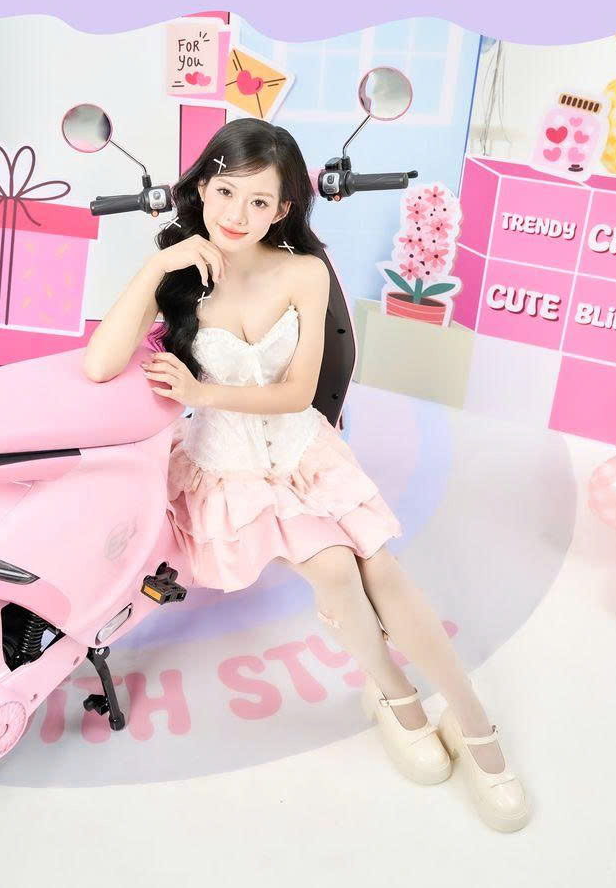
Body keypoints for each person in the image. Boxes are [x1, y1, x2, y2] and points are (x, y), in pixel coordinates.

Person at [83, 117, 529, 832]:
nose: (237, 214)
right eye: (225, 192)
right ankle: (396, 695)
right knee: (336, 569)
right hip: (230, 470)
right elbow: (101, 362)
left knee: (382, 568)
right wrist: (156, 267)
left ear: (284, 208)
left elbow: (297, 393)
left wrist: (200, 392)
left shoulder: (304, 272)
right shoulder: (183, 275)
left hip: (301, 450)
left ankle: (475, 724)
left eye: (259, 200)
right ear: (200, 188)